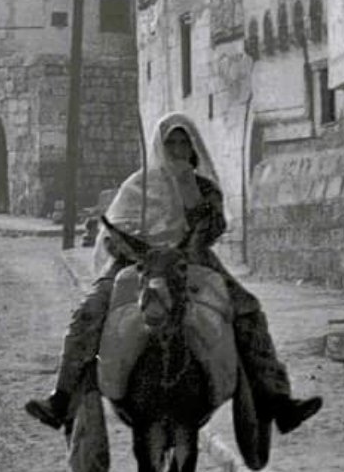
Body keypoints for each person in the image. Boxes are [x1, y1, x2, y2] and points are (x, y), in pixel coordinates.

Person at [25, 112, 322, 435]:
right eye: (172, 143)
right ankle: (62, 399)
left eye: (184, 143)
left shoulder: (204, 188)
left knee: (248, 310)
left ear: (193, 147)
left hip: (191, 263)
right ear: (160, 147)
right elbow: (113, 235)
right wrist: (135, 250)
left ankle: (277, 401)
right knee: (89, 313)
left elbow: (214, 227)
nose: (179, 149)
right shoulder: (138, 186)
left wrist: (189, 193)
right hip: (136, 264)